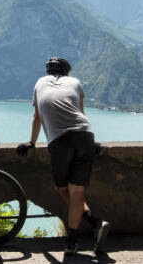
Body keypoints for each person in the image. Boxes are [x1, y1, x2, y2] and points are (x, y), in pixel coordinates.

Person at [18, 57, 110, 254]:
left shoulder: (39, 83)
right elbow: (80, 114)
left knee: (62, 189)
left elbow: (37, 117)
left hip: (60, 142)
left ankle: (91, 224)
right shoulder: (75, 83)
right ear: (67, 72)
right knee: (77, 191)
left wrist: (31, 143)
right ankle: (77, 238)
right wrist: (91, 143)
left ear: (47, 72)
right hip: (85, 136)